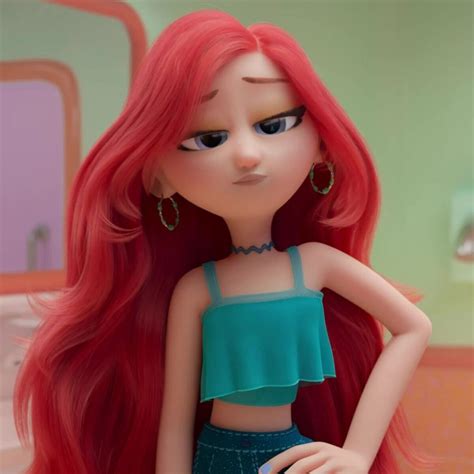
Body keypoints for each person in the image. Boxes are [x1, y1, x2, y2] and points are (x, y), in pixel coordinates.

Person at [13, 9, 441, 474]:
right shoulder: (199, 289)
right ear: (159, 177)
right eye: (208, 138)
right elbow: (175, 422)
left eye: (273, 125)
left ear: (321, 143)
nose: (247, 154)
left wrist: (357, 452)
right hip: (216, 458)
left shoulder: (316, 264)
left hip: (293, 455)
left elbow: (413, 328)